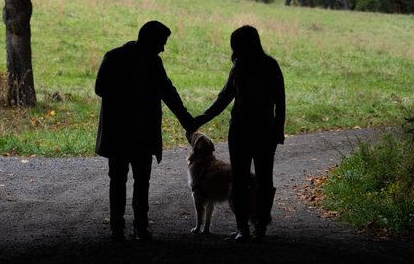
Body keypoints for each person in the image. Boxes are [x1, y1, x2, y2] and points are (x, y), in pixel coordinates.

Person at [95, 20, 196, 242]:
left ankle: (120, 229)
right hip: (137, 133)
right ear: (149, 40)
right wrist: (186, 120)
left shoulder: (116, 57)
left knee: (121, 180)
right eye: (161, 43)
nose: (163, 48)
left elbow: (101, 88)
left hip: (123, 133)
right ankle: (137, 227)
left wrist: (186, 119)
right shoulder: (144, 61)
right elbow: (167, 92)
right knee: (138, 181)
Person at [192, 25, 285, 242]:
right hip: (261, 131)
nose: (234, 50)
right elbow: (279, 102)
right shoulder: (267, 66)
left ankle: (246, 229)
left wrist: (199, 119)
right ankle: (256, 228)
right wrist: (278, 129)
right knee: (260, 180)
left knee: (245, 180)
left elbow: (223, 99)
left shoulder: (244, 68)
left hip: (245, 131)